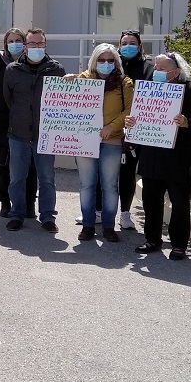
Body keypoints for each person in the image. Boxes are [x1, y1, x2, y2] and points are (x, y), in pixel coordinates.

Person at [124, 52, 191, 259]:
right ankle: (152, 239)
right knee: (151, 200)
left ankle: (179, 244)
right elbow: (137, 116)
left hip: (178, 157)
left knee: (179, 202)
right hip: (152, 154)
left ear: (177, 71)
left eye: (162, 69)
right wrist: (131, 122)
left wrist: (187, 122)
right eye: (156, 68)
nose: (157, 72)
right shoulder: (148, 90)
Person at [70, 43, 134, 243]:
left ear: (116, 62)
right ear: (94, 61)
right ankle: (88, 225)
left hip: (112, 140)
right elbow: (67, 104)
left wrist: (111, 127)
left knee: (110, 186)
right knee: (87, 185)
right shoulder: (82, 79)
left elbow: (130, 110)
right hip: (85, 140)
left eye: (110, 60)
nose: (106, 63)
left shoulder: (124, 83)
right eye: (102, 60)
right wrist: (67, 82)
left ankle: (108, 226)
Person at [1, 28, 63, 233]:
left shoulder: (57, 70)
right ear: (25, 47)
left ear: (45, 45)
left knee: (47, 179)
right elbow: (9, 99)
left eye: (40, 43)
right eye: (32, 44)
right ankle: (17, 215)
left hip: (45, 135)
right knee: (17, 178)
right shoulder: (12, 70)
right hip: (18, 134)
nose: (36, 47)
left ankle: (47, 217)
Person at [0, 28, 37, 218]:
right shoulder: (0, 66)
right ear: (5, 44)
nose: (14, 44)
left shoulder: (33, 64)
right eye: (10, 41)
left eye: (18, 40)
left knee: (29, 165)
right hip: (0, 121)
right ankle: (5, 201)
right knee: (3, 163)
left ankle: (29, 202)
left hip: (26, 121)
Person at [114, 29, 154, 230]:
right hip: (113, 126)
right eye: (124, 43)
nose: (128, 46)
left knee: (128, 172)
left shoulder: (150, 68)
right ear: (119, 46)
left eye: (132, 43)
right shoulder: (112, 65)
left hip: (139, 129)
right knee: (105, 173)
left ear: (139, 47)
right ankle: (98, 211)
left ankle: (125, 213)